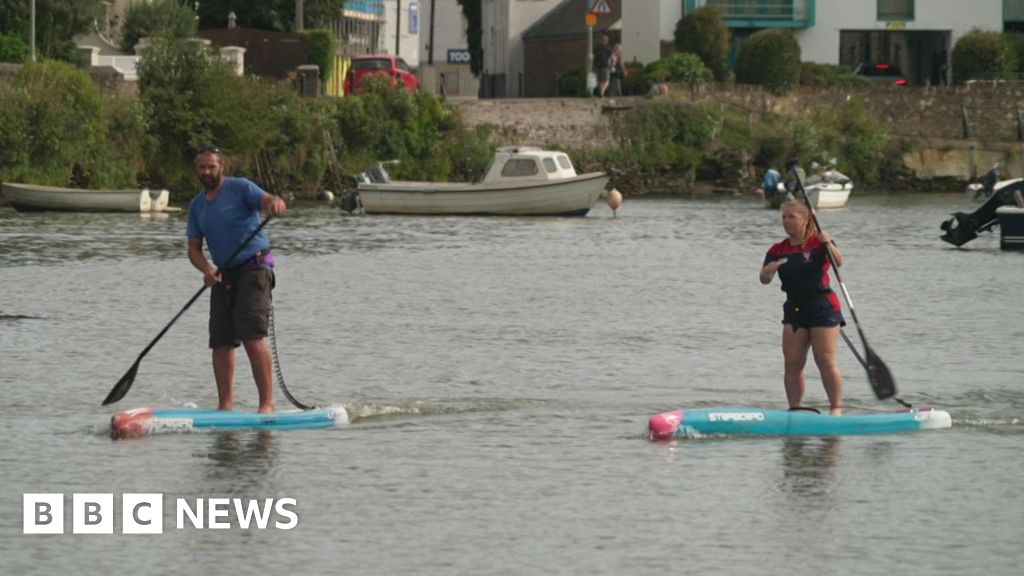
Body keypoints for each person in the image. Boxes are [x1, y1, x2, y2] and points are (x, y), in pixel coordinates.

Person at [187, 146, 287, 413]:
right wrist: (207, 269)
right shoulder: (197, 206)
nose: (207, 172)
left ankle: (267, 404)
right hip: (222, 275)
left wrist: (274, 203)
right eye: (202, 167)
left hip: (254, 269)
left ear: (222, 167)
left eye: (211, 166)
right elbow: (193, 249)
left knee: (252, 336)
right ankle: (225, 407)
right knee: (220, 342)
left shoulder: (240, 188)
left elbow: (267, 200)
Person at [759, 199, 845, 416]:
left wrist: (829, 243)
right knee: (792, 363)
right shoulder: (778, 249)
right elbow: (763, 279)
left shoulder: (819, 243)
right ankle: (795, 409)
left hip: (822, 307)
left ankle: (836, 408)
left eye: (792, 217)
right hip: (794, 308)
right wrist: (769, 271)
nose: (786, 221)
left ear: (805, 220)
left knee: (824, 359)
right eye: (784, 217)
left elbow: (839, 262)